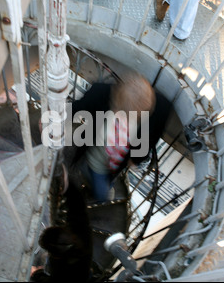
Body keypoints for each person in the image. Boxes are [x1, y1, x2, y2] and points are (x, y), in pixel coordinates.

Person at [70, 72, 172, 203]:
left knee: (102, 192)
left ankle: (100, 193)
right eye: (123, 112)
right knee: (88, 175)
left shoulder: (160, 110)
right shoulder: (99, 93)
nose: (127, 119)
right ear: (115, 100)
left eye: (134, 115)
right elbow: (77, 108)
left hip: (114, 166)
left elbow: (151, 139)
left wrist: (136, 159)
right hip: (93, 158)